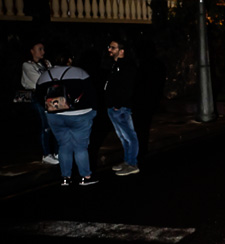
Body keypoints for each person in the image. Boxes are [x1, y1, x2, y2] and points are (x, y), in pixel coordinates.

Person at [35, 54, 98, 186]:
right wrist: (93, 111)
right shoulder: (80, 72)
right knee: (80, 147)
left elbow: (39, 97)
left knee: (64, 145)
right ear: (69, 60)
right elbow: (92, 94)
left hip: (55, 116)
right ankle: (85, 177)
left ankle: (66, 177)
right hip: (79, 114)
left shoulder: (44, 76)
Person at [105, 40, 140, 176]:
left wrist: (118, 105)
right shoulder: (115, 65)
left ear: (121, 51)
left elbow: (127, 88)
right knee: (123, 136)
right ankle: (127, 161)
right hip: (114, 107)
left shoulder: (127, 66)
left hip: (121, 108)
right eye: (109, 47)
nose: (109, 50)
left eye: (113, 48)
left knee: (130, 136)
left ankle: (132, 164)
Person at [21, 42, 59, 164]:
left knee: (54, 123)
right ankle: (46, 154)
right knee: (45, 125)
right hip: (36, 96)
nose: (43, 52)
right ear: (32, 51)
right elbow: (39, 81)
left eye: (43, 49)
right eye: (40, 49)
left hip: (48, 95)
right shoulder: (27, 65)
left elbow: (54, 76)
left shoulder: (46, 63)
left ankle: (56, 152)